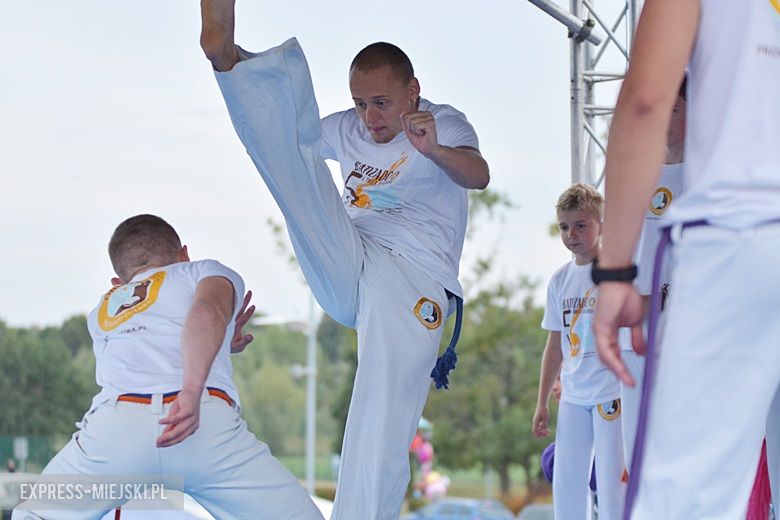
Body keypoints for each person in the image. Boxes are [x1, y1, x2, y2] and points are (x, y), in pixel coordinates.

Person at [199, 1, 489, 518]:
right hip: (351, 261)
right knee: (298, 167)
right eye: (359, 104)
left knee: (378, 416)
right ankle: (229, 63)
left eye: (381, 102)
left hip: (412, 281)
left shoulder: (442, 122)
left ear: (412, 91)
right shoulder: (349, 129)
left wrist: (435, 151)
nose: (370, 118)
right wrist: (239, 62)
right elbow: (292, 134)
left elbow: (478, 175)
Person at [592, 0, 780, 517]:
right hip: (746, 235)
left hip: (742, 229)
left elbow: (647, 100)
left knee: (683, 499)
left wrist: (614, 271)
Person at [13, 214, 322, 520]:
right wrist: (193, 384)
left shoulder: (104, 307)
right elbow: (204, 310)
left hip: (117, 431)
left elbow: (150, 347)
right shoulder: (202, 271)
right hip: (202, 422)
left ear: (118, 282)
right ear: (184, 256)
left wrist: (221, 342)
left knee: (37, 514)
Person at [532, 183, 626, 520]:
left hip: (611, 392)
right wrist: (542, 401)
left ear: (600, 224)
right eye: (564, 226)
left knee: (614, 484)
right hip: (573, 394)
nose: (572, 234)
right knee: (567, 485)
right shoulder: (559, 280)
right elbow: (554, 343)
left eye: (581, 225)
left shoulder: (618, 272)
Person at [620, 79, 686, 472]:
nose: (664, 120)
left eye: (673, 111)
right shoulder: (638, 173)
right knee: (640, 457)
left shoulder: (709, 174)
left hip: (688, 334)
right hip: (638, 336)